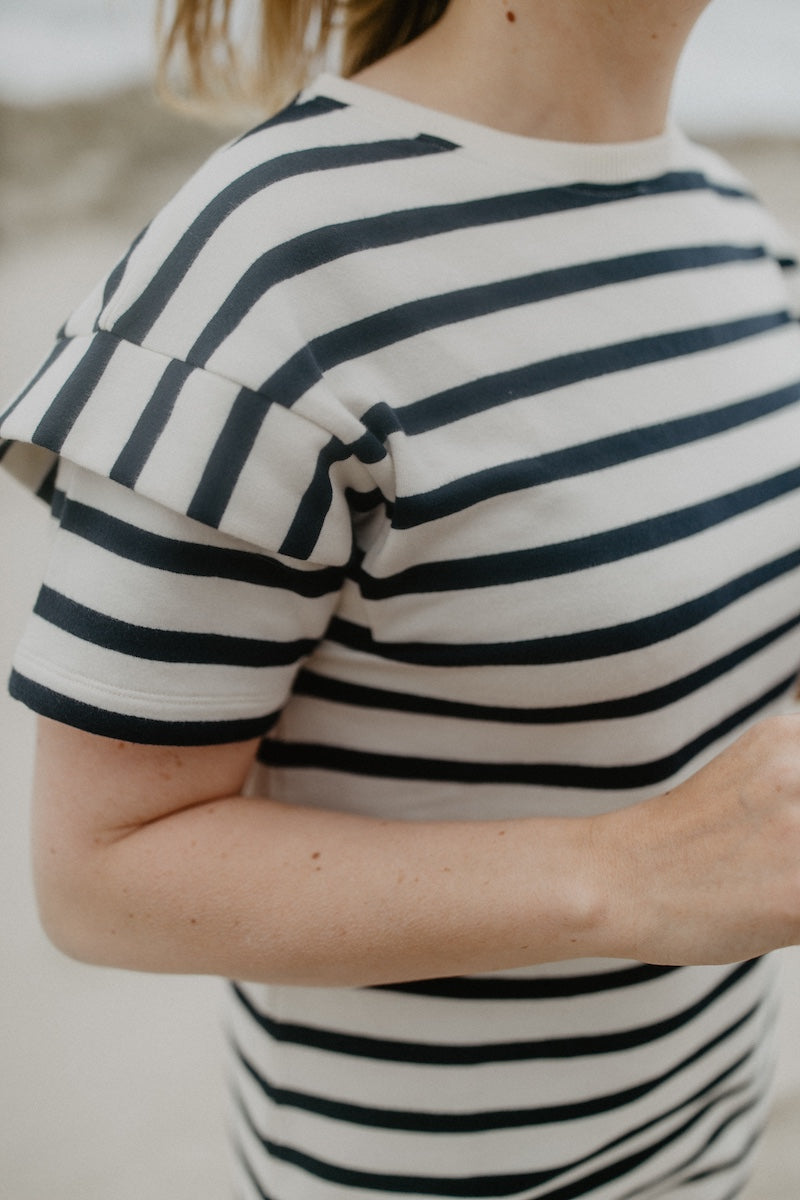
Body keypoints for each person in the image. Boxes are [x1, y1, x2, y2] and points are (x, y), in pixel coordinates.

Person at [2, 0, 800, 1196]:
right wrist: (627, 874)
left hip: (706, 1140)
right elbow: (105, 877)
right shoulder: (273, 261)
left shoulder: (735, 229)